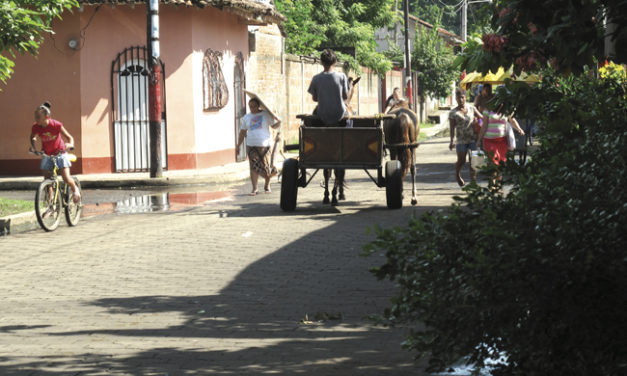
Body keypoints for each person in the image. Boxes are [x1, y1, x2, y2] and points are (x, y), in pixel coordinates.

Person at [29, 102, 81, 204]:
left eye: (38, 117)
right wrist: (33, 147)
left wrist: (70, 144)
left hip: (60, 153)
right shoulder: (35, 127)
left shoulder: (56, 125)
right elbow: (32, 136)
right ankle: (51, 203)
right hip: (47, 155)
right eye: (35, 116)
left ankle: (75, 190)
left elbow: (70, 137)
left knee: (66, 178)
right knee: (47, 181)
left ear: (47, 117)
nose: (36, 118)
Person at [237, 97, 281, 196]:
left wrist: (279, 122)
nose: (252, 108)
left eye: (254, 106)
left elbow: (274, 126)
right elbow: (242, 132)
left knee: (266, 167)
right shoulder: (247, 117)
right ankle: (255, 188)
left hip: (265, 145)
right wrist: (238, 145)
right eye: (250, 107)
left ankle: (267, 185)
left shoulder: (266, 114)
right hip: (251, 144)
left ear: (258, 106)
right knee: (253, 167)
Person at [449, 87, 484, 186]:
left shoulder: (472, 108)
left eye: (462, 97)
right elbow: (452, 128)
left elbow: (482, 117)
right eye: (458, 98)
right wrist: (452, 140)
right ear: (456, 99)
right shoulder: (453, 113)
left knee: (474, 161)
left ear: (465, 98)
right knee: (461, 160)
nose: (460, 100)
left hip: (473, 138)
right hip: (461, 140)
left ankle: (473, 181)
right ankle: (457, 174)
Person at [307, 49, 349, 125]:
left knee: (313, 114)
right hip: (340, 114)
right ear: (335, 62)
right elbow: (345, 97)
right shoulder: (342, 76)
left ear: (321, 62)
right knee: (350, 118)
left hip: (322, 115)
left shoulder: (316, 78)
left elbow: (314, 99)